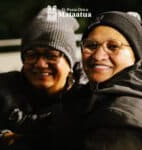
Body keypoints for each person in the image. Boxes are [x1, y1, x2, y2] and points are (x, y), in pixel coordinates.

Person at [0, 7, 80, 150]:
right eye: (32, 54)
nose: (40, 64)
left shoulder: (89, 97)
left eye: (51, 55)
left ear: (70, 62)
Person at [57, 11, 142, 150]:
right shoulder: (91, 96)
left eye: (113, 46)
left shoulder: (120, 119)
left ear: (136, 55)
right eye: (91, 45)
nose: (97, 56)